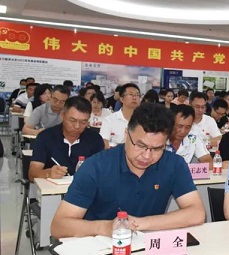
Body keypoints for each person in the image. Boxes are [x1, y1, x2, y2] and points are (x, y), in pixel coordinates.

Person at [50, 103, 205, 238]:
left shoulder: (174, 164)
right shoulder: (96, 166)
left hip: (147, 245)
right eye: (140, 145)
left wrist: (139, 223)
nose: (147, 156)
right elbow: (59, 226)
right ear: (126, 134)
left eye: (157, 148)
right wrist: (106, 227)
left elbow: (197, 213)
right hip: (99, 246)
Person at [28, 97, 104, 182]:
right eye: (72, 120)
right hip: (51, 188)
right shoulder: (45, 137)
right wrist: (48, 173)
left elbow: (101, 172)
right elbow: (32, 174)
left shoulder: (95, 139)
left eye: (83, 122)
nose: (77, 126)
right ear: (63, 115)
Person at [100, 83, 141, 148]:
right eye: (131, 94)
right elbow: (105, 143)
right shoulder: (109, 120)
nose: (134, 97)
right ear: (121, 99)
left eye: (137, 95)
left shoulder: (145, 120)